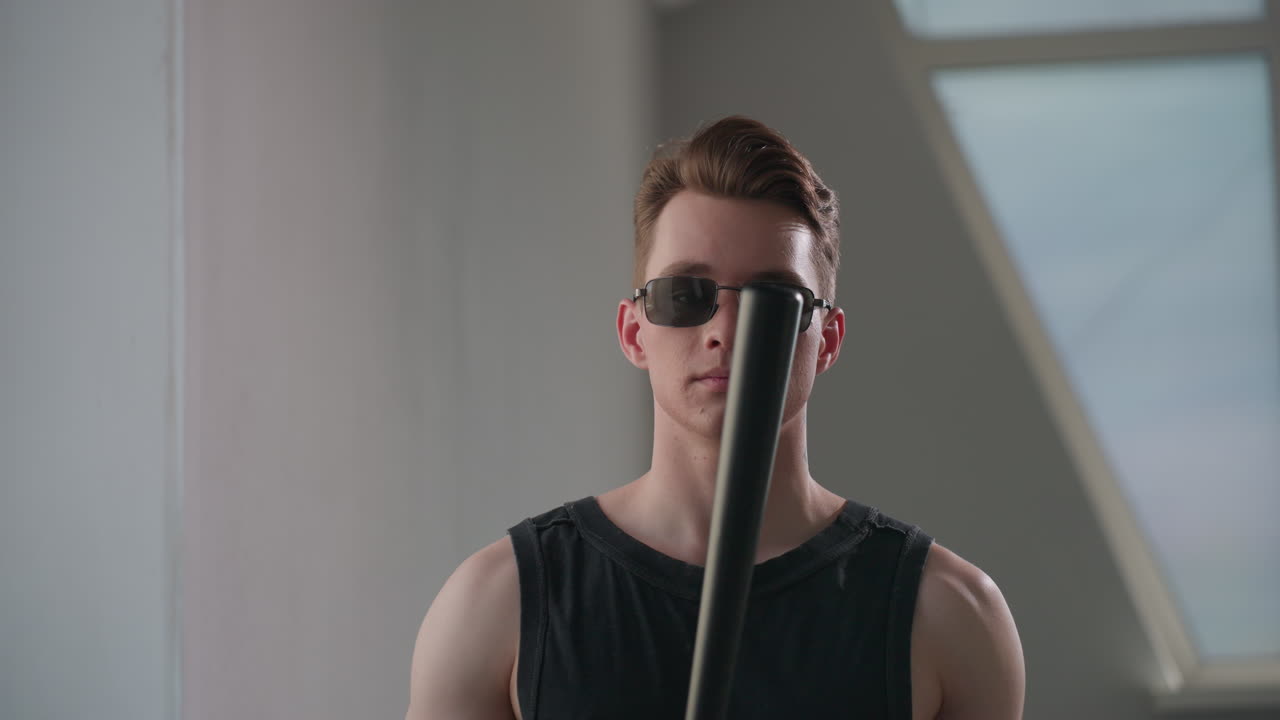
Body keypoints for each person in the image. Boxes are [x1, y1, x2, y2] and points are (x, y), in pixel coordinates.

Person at [405, 116, 1025, 719]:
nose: (727, 330)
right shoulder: (500, 603)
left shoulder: (947, 612)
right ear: (634, 332)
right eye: (686, 295)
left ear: (828, 340)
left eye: (775, 300)